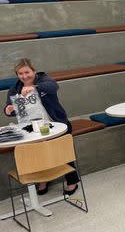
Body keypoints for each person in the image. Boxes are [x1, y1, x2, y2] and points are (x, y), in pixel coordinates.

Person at [4, 58, 79, 195]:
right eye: (20, 73)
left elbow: (54, 87)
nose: (24, 76)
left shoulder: (44, 81)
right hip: (32, 129)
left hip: (56, 124)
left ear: (34, 71)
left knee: (63, 152)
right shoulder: (14, 90)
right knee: (36, 153)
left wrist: (34, 87)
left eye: (27, 72)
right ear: (17, 75)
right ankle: (43, 180)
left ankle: (72, 181)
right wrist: (8, 110)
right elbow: (10, 109)